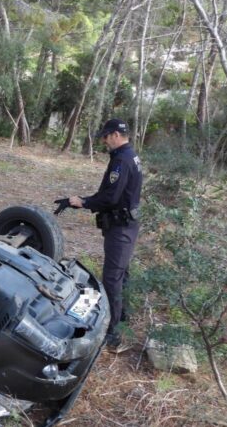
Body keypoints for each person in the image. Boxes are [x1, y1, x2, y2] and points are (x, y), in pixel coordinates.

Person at [67, 119, 142, 353]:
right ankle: (123, 318)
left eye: (107, 136)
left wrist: (84, 202)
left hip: (121, 228)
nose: (104, 140)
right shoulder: (130, 155)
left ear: (117, 135)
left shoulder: (122, 160)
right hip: (126, 225)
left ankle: (113, 333)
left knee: (112, 279)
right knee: (121, 274)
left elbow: (110, 197)